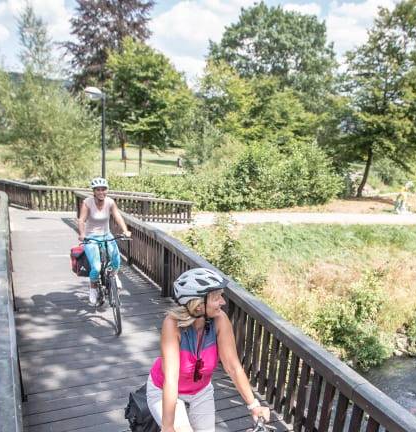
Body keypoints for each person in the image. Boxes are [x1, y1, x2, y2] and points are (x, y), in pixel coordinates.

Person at [147, 268, 271, 432]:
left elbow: (233, 367)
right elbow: (171, 379)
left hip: (200, 391)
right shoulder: (172, 324)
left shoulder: (220, 320)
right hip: (165, 390)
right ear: (198, 306)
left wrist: (254, 405)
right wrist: (168, 426)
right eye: (216, 298)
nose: (223, 302)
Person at [77, 177, 130, 306]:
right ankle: (93, 288)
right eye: (98, 190)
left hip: (106, 235)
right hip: (91, 237)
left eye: (103, 189)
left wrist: (125, 230)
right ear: (94, 191)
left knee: (116, 259)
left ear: (107, 190)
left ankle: (113, 276)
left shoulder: (110, 202)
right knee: (96, 267)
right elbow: (81, 220)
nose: (101, 192)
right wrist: (82, 234)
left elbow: (117, 215)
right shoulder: (87, 203)